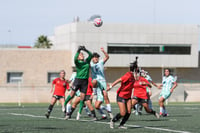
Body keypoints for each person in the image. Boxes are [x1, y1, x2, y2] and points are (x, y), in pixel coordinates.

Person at [107, 57, 138, 129]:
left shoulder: (133, 76)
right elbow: (119, 80)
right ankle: (113, 120)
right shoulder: (128, 75)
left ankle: (121, 125)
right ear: (135, 70)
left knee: (129, 111)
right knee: (123, 113)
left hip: (128, 97)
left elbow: (136, 79)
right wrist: (111, 86)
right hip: (121, 95)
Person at [64, 46, 92, 120]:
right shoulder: (77, 62)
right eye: (80, 55)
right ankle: (64, 104)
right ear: (78, 57)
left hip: (85, 81)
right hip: (78, 80)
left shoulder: (87, 61)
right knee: (72, 95)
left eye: (82, 54)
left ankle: (79, 113)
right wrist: (78, 50)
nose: (81, 55)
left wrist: (85, 49)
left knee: (82, 98)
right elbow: (75, 58)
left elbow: (91, 55)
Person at [90, 47, 113, 119]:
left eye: (97, 57)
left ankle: (109, 112)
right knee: (96, 106)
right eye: (94, 57)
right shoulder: (90, 64)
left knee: (105, 95)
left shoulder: (101, 62)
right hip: (96, 84)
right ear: (92, 58)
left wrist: (103, 51)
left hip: (102, 82)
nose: (96, 58)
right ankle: (103, 114)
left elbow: (107, 57)